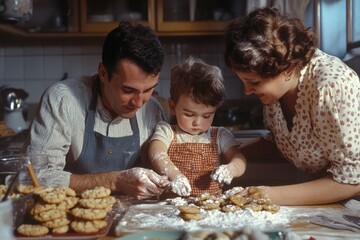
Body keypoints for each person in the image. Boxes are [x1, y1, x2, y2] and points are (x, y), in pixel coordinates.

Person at [224, 7, 360, 205]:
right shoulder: (275, 92)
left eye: (254, 83)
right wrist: (227, 154)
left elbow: (353, 180)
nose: (247, 91)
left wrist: (265, 195)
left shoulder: (331, 87)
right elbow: (283, 144)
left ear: (287, 69)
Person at [24, 22, 171, 200]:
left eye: (148, 90)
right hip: (72, 212)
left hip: (133, 218)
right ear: (103, 73)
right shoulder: (63, 99)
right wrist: (115, 181)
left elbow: (162, 171)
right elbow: (35, 177)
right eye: (128, 90)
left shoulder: (153, 110)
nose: (139, 102)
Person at [148, 56, 247, 197]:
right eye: (189, 114)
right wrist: (175, 175)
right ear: (172, 106)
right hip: (171, 207)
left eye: (206, 116)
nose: (197, 122)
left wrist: (231, 169)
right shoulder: (167, 131)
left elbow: (239, 158)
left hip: (209, 206)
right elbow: (156, 153)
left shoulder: (220, 135)